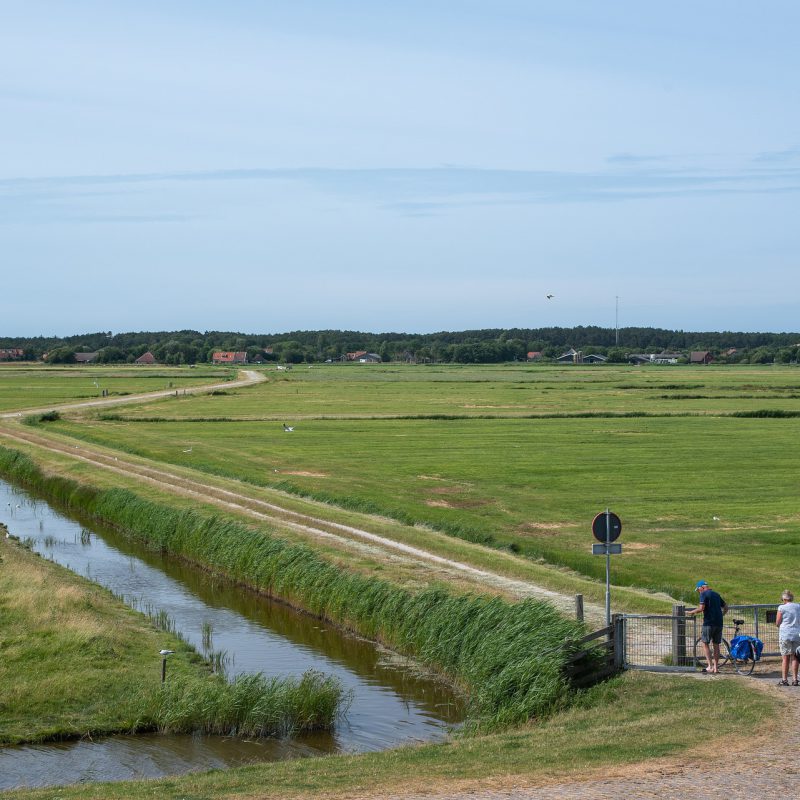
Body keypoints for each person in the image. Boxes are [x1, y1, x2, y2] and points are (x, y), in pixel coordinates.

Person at [687, 580, 727, 674]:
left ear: (702, 587)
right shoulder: (716, 594)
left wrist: (691, 612)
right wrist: (722, 615)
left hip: (709, 623)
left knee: (705, 643)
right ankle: (716, 668)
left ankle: (710, 666)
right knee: (716, 645)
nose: (698, 592)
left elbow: (701, 608)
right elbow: (726, 607)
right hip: (719, 623)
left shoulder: (704, 594)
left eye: (698, 590)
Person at [775, 589, 800, 686]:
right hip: (797, 634)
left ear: (784, 599)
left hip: (785, 634)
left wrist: (780, 625)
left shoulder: (781, 608)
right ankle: (795, 680)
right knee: (795, 657)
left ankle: (784, 680)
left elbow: (777, 622)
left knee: (785, 658)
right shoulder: (798, 606)